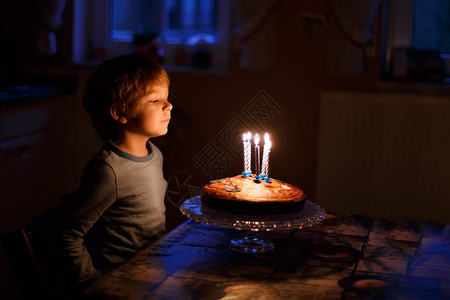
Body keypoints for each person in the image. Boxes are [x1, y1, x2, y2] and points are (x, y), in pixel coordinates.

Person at [57, 54, 173, 292]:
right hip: (122, 284)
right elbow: (67, 234)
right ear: (119, 113)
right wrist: (92, 282)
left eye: (166, 98)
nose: (168, 105)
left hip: (153, 272)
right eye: (154, 100)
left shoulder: (155, 154)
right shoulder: (108, 171)